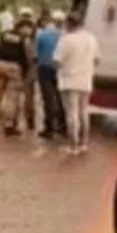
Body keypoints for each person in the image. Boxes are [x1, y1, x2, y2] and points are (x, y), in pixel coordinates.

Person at [53, 12, 101, 154]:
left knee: (71, 113)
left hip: (68, 80)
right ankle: (84, 142)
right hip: (86, 80)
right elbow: (98, 60)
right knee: (83, 112)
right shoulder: (92, 39)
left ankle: (73, 145)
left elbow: (56, 61)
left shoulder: (66, 40)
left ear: (69, 24)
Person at [36, 11, 66, 139]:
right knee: (60, 97)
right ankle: (62, 125)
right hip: (59, 68)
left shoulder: (42, 34)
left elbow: (37, 51)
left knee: (48, 98)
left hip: (44, 67)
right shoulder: (65, 35)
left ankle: (49, 128)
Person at [18, 7, 39, 133]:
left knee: (18, 95)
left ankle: (23, 119)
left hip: (23, 67)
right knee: (28, 95)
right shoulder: (34, 31)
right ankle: (29, 119)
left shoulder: (16, 29)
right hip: (29, 68)